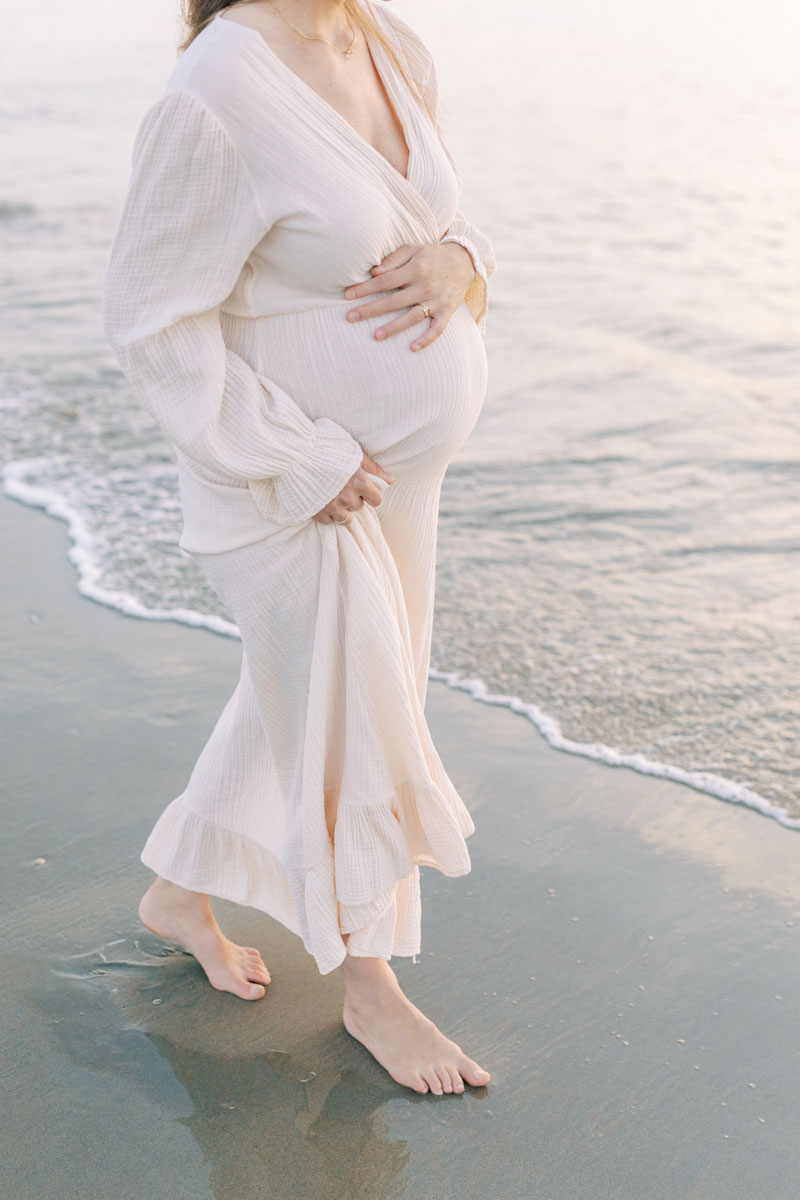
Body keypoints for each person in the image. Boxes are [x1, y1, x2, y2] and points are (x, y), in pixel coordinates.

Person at [103, 0, 496, 1097]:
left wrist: (464, 262)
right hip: (289, 484)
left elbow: (428, 221)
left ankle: (178, 890)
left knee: (312, 694)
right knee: (357, 712)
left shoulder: (388, 45)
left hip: (391, 481)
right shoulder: (216, 94)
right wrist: (294, 456)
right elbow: (148, 318)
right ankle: (370, 987)